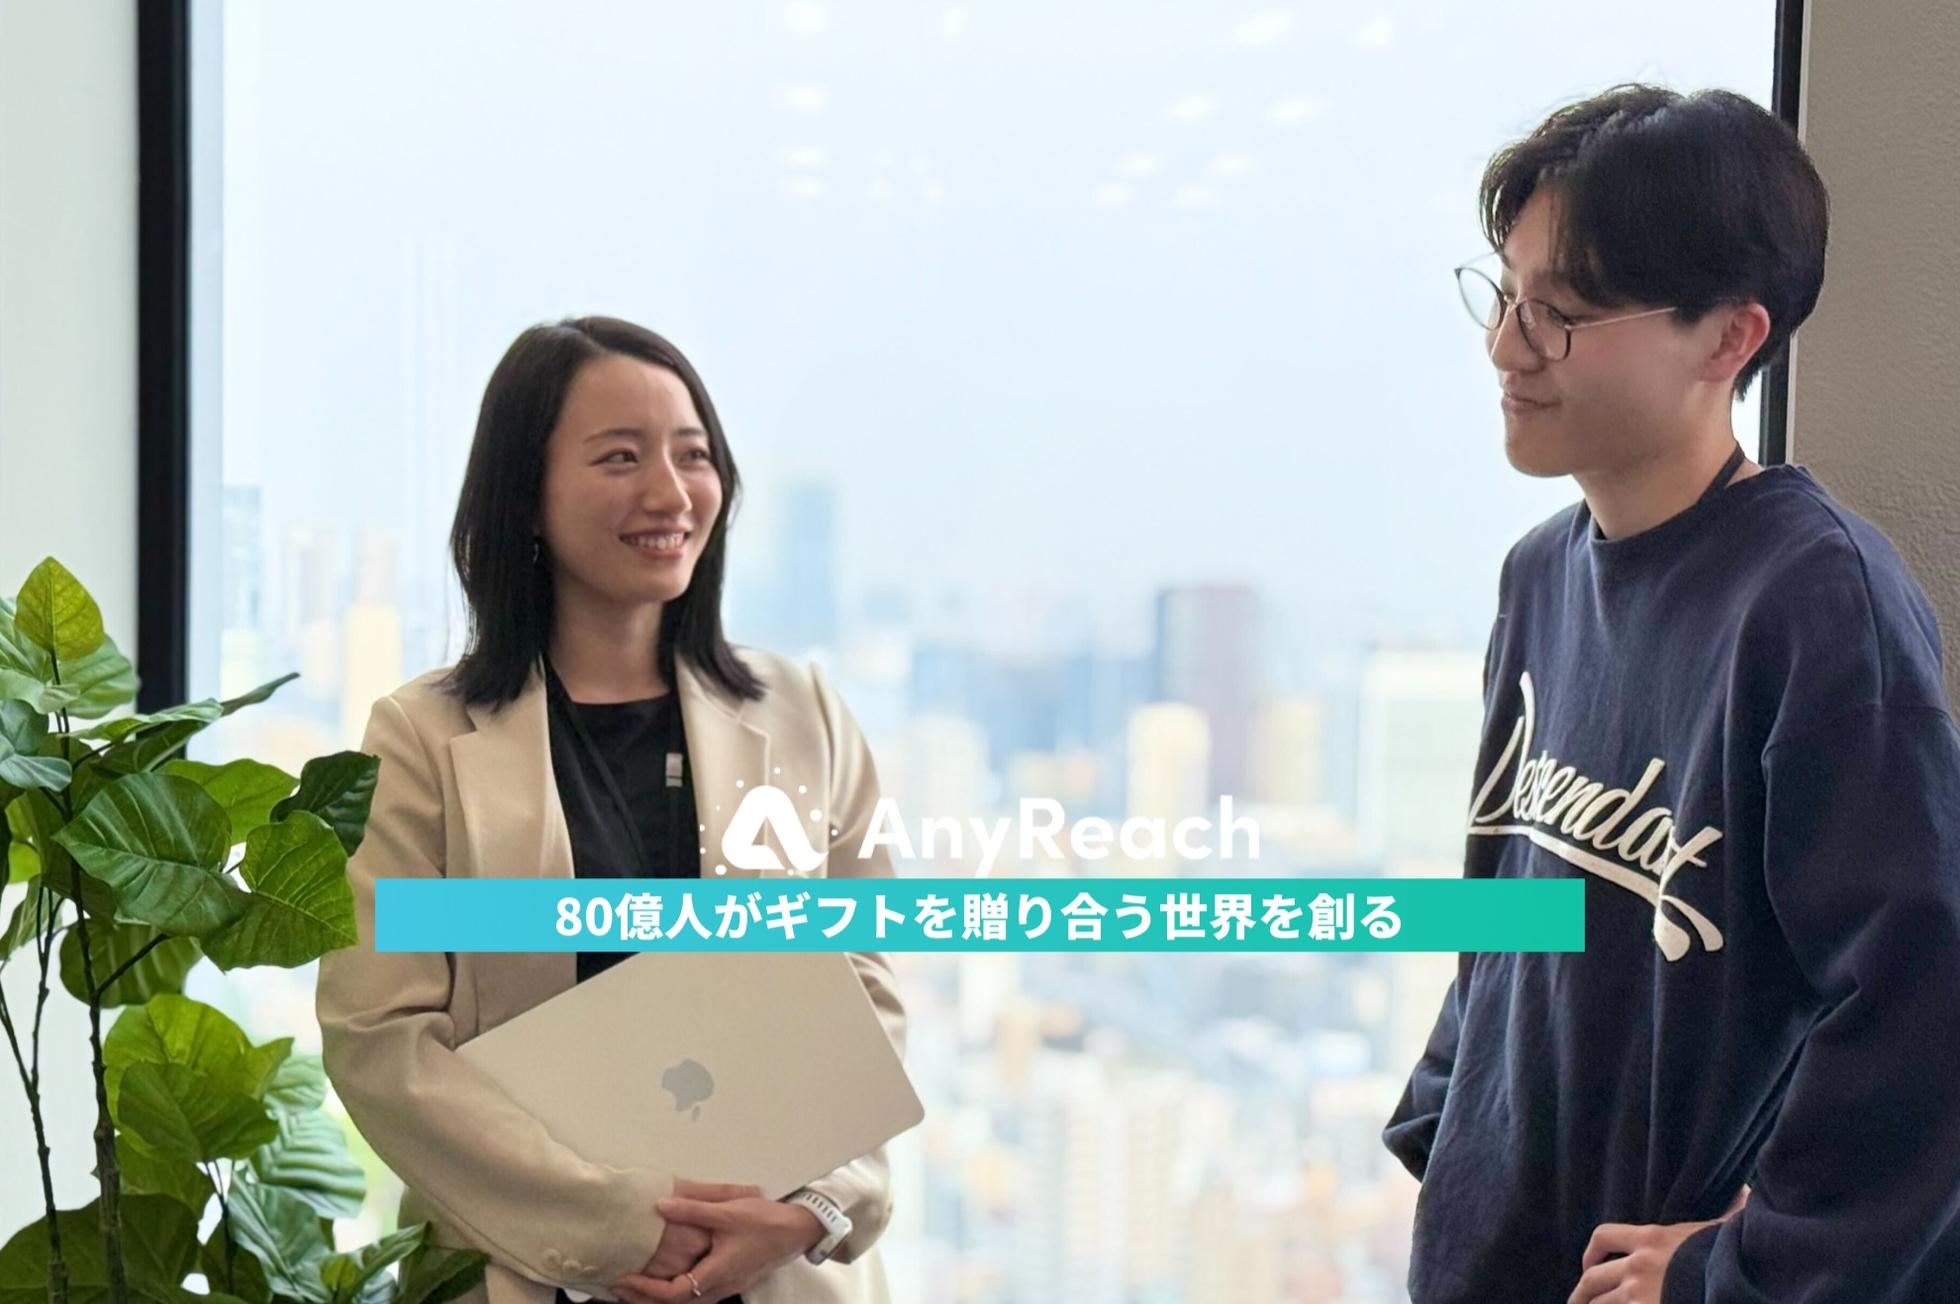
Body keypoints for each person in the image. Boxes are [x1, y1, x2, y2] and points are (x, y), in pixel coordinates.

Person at [1384, 84, 1960, 1303]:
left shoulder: (1817, 604)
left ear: (1727, 338)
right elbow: (1510, 901)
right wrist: (1445, 1125)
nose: (1507, 349)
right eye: (1506, 295)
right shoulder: (1541, 575)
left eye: (1562, 314)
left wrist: (1734, 1268)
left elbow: (1923, 1011)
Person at [317, 317, 907, 1304]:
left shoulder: (803, 713)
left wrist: (817, 1205)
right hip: (521, 1270)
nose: (670, 493)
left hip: (781, 1268)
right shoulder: (420, 739)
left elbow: (864, 988)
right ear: (526, 495)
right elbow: (383, 1040)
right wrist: (625, 1227)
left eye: (693, 455)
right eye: (620, 457)